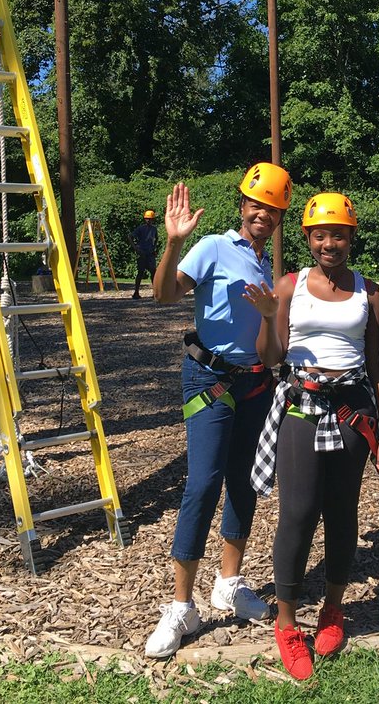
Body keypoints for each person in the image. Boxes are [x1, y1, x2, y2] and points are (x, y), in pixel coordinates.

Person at [144, 162, 293, 659]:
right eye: (257, 205)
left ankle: (228, 582)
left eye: (272, 211)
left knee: (245, 482)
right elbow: (165, 294)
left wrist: (272, 321)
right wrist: (172, 243)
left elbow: (269, 350)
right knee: (203, 484)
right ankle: (180, 605)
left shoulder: (261, 265)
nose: (263, 215)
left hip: (254, 383)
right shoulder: (212, 246)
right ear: (242, 205)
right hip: (209, 379)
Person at [243, 193, 379, 680]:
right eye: (321, 235)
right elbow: (270, 359)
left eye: (339, 234)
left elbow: (377, 364)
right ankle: (286, 622)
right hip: (302, 405)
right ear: (307, 239)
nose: (331, 243)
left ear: (351, 238)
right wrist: (267, 316)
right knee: (299, 512)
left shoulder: (367, 291)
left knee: (342, 510)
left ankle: (332, 607)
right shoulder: (289, 286)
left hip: (351, 407)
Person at [131, 210, 158, 299]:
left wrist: (154, 248)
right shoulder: (140, 228)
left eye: (150, 219)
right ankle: (136, 292)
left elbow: (156, 239)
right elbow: (130, 236)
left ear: (153, 219)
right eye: (147, 219)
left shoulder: (154, 229)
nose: (148, 221)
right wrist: (135, 248)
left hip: (150, 253)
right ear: (144, 219)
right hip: (142, 253)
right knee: (140, 273)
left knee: (153, 273)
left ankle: (155, 293)